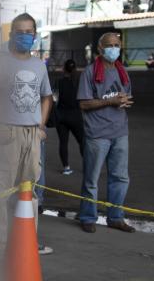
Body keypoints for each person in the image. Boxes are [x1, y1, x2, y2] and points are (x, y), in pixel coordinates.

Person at [0, 13, 54, 254]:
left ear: (35, 35)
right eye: (19, 32)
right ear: (11, 36)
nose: (24, 36)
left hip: (32, 136)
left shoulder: (39, 65)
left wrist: (40, 127)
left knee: (29, 192)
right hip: (6, 133)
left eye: (28, 32)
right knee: (0, 193)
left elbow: (46, 97)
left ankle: (27, 241)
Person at [77, 32, 134, 234]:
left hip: (120, 132)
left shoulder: (122, 72)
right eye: (109, 45)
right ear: (100, 50)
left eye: (117, 45)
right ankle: (87, 217)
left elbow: (125, 97)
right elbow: (84, 103)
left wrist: (124, 101)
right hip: (97, 133)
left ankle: (115, 217)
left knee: (120, 177)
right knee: (92, 179)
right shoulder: (90, 72)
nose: (114, 48)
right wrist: (111, 101)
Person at [55, 59, 85, 175]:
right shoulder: (79, 83)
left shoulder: (59, 82)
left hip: (61, 116)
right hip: (75, 116)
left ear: (64, 69)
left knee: (63, 142)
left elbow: (54, 98)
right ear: (75, 69)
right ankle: (87, 166)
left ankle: (66, 168)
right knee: (82, 141)